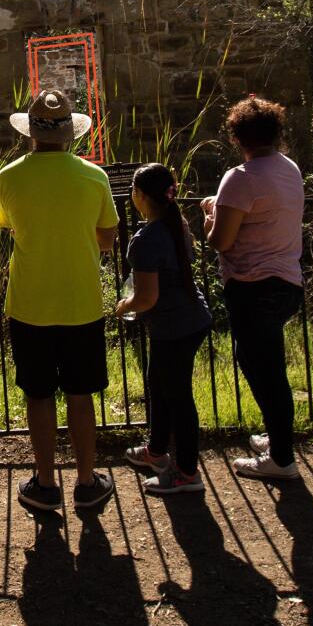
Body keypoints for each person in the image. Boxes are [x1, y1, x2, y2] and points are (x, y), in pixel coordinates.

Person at [0, 88, 118, 513]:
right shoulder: (94, 177)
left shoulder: (8, 178)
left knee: (39, 395)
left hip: (29, 303)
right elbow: (107, 238)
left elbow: (10, 226)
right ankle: (86, 481)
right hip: (81, 301)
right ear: (70, 135)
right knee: (81, 396)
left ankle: (46, 483)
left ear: (31, 133)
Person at [202, 95, 305, 481]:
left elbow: (221, 241)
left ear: (237, 136)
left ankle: (281, 459)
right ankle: (278, 439)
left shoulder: (240, 177)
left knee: (268, 370)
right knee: (258, 363)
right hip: (286, 282)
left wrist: (210, 216)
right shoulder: (289, 169)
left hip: (253, 286)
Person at [115, 163, 212, 494]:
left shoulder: (145, 240)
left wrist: (123, 307)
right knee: (158, 384)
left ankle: (186, 472)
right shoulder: (177, 224)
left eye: (133, 191)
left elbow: (146, 297)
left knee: (178, 398)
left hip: (174, 325)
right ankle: (156, 451)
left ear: (140, 196)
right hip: (189, 317)